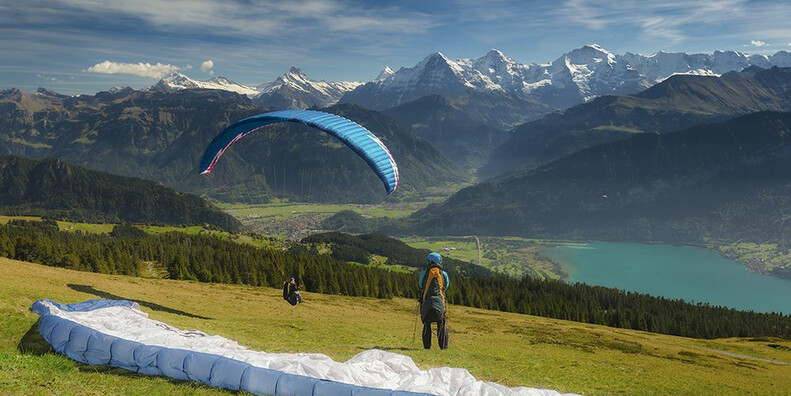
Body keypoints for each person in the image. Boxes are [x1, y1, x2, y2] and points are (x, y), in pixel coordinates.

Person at [418, 252, 449, 349]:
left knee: (427, 324)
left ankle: (427, 347)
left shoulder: (425, 273)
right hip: (440, 301)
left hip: (427, 302)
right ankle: (443, 347)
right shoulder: (443, 274)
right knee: (441, 323)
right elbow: (445, 286)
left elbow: (420, 285)